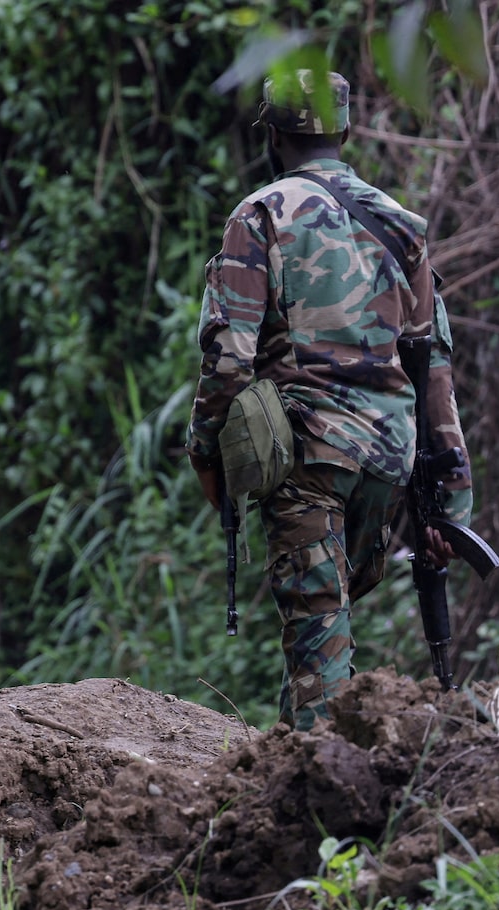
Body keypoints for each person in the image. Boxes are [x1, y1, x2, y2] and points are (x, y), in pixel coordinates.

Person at [184, 69, 475, 730]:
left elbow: (228, 360)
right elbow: (433, 372)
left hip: (310, 462)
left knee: (319, 660)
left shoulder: (259, 215)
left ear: (274, 135)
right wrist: (452, 505)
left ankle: (330, 804)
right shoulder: (404, 227)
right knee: (322, 641)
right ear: (344, 130)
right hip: (388, 464)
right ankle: (304, 767)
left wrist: (205, 453)